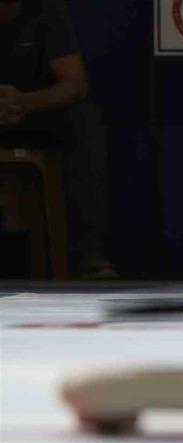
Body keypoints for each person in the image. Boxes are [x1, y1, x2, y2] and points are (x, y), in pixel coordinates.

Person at [0, 0, 116, 279]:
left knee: (83, 119)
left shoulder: (45, 8)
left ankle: (88, 254)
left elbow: (74, 83)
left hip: (29, 112)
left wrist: (23, 103)